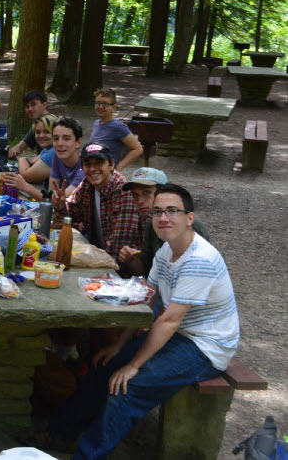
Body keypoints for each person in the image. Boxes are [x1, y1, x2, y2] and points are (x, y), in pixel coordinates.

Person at [22, 184, 239, 459]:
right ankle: (60, 435)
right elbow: (145, 298)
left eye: (173, 211)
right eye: (158, 211)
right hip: (179, 334)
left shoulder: (199, 260)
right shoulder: (167, 250)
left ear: (190, 218)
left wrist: (134, 365)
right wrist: (118, 347)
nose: (163, 218)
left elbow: (169, 321)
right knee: (105, 368)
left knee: (127, 387)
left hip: (206, 346)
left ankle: (87, 454)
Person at [51, 142, 141, 261]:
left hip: (121, 270)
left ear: (111, 165)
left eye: (99, 163)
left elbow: (117, 248)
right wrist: (60, 206)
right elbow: (68, 219)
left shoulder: (123, 192)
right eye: (88, 164)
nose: (93, 169)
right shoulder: (87, 184)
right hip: (99, 255)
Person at [118, 167, 210, 277]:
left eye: (146, 192)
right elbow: (144, 271)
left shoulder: (186, 223)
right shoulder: (151, 221)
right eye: (135, 195)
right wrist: (130, 259)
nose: (140, 201)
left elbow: (194, 274)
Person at [2, 114, 58, 201]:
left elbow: (27, 175)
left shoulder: (53, 152)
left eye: (46, 132)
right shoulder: (48, 149)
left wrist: (22, 158)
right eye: (38, 132)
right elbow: (32, 164)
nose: (41, 136)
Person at [90, 88, 143, 169]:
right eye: (98, 103)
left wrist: (118, 168)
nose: (100, 107)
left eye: (105, 104)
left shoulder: (118, 126)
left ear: (114, 107)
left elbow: (138, 149)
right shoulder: (96, 123)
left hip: (107, 175)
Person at [8, 90, 51, 159]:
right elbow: (19, 147)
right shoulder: (38, 124)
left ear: (44, 105)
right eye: (27, 106)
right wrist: (12, 151)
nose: (30, 109)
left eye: (33, 104)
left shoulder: (55, 124)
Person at [49, 116, 85, 198]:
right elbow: (51, 192)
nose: (60, 143)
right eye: (56, 138)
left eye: (66, 139)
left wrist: (25, 186)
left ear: (78, 142)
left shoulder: (84, 168)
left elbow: (59, 200)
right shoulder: (58, 156)